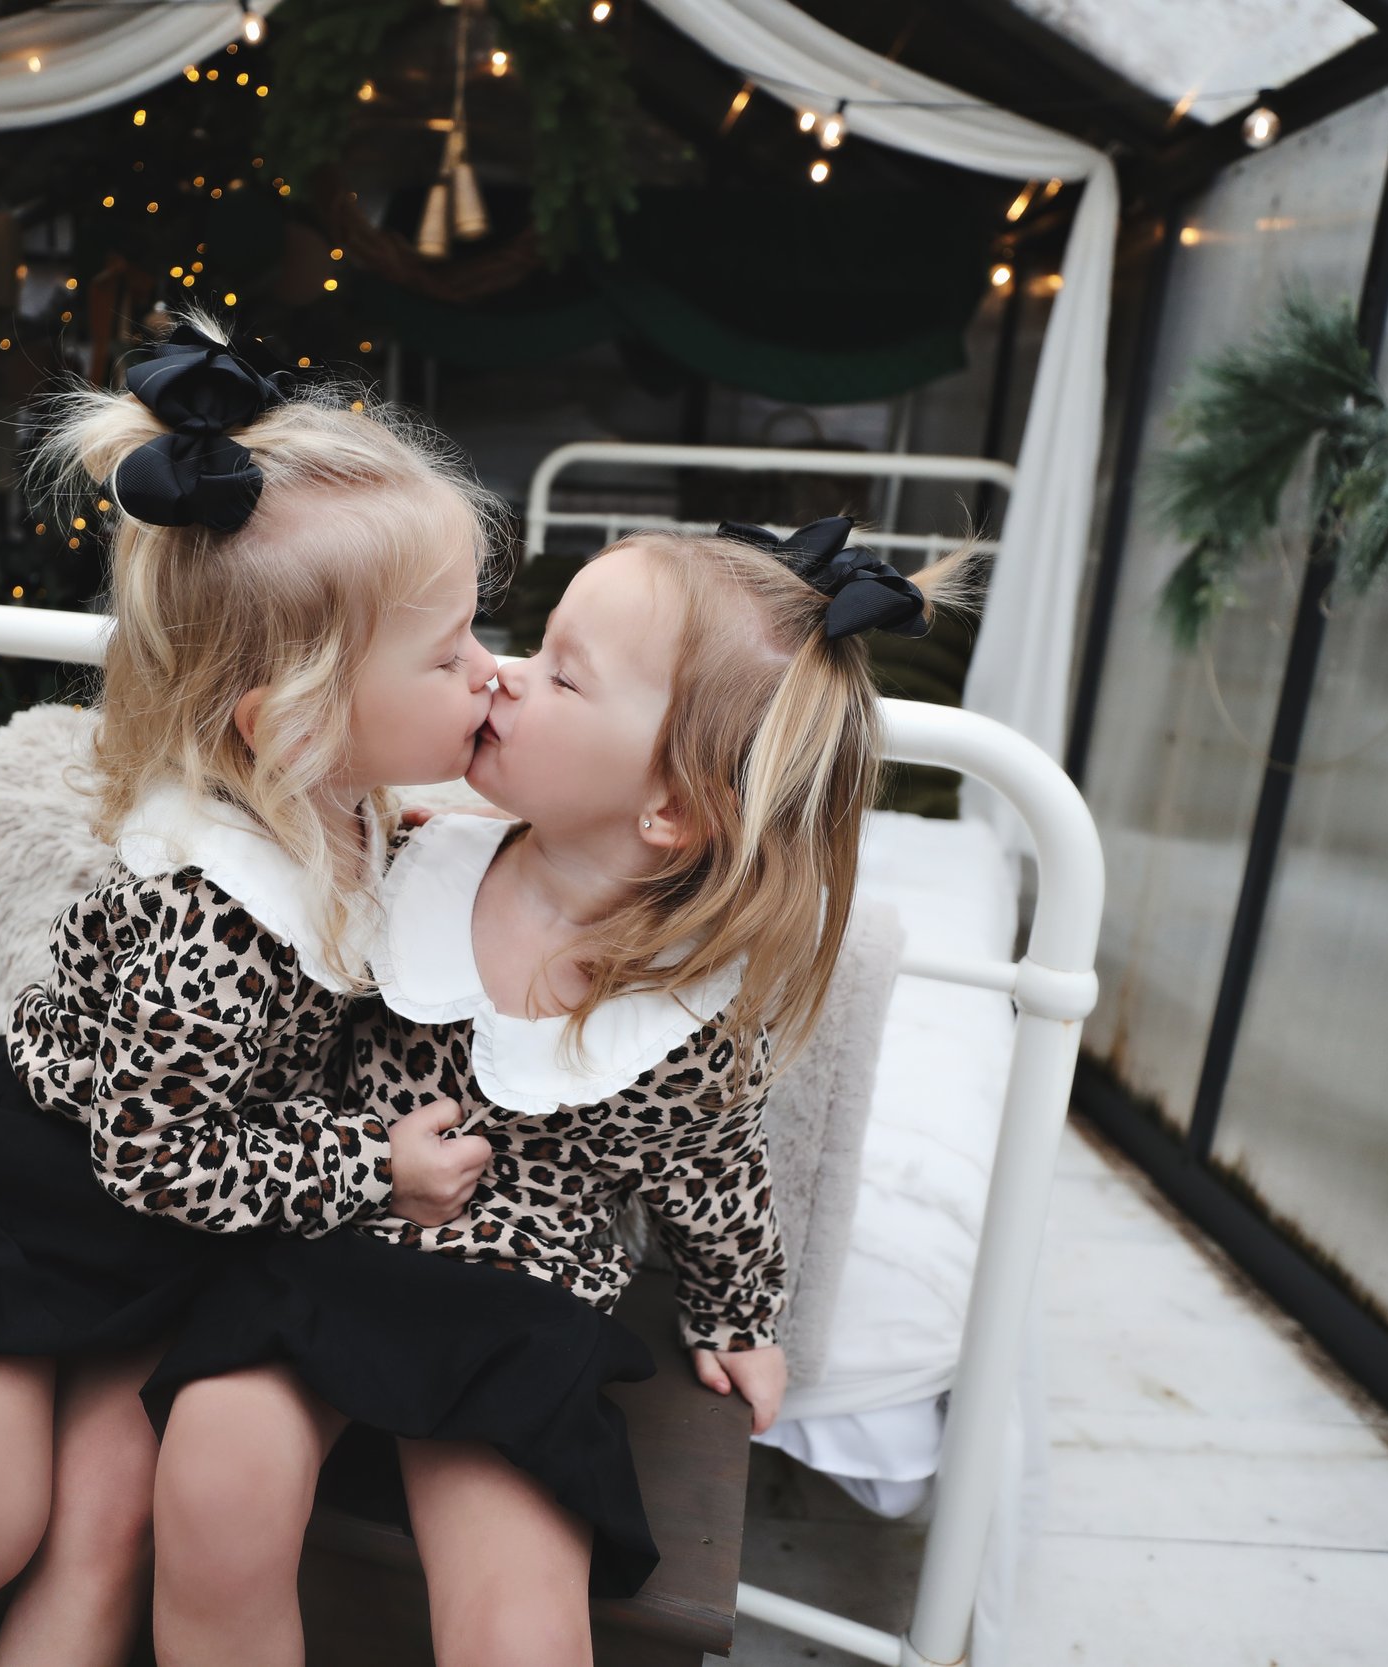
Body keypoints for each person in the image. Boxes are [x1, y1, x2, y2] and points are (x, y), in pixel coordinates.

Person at [0, 317, 506, 1667]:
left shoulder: (351, 802)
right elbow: (164, 1153)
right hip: (29, 1193)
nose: (487, 672)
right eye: (453, 649)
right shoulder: (209, 912)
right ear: (287, 720)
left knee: (108, 1518)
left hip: (170, 1228)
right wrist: (370, 1159)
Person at [143, 516, 969, 1667]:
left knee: (517, 1612)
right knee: (210, 1486)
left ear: (669, 808)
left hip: (515, 1304)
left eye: (560, 671)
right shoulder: (400, 853)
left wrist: (739, 1315)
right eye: (528, 646)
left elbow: (711, 1166)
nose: (502, 672)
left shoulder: (679, 1015)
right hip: (323, 1239)